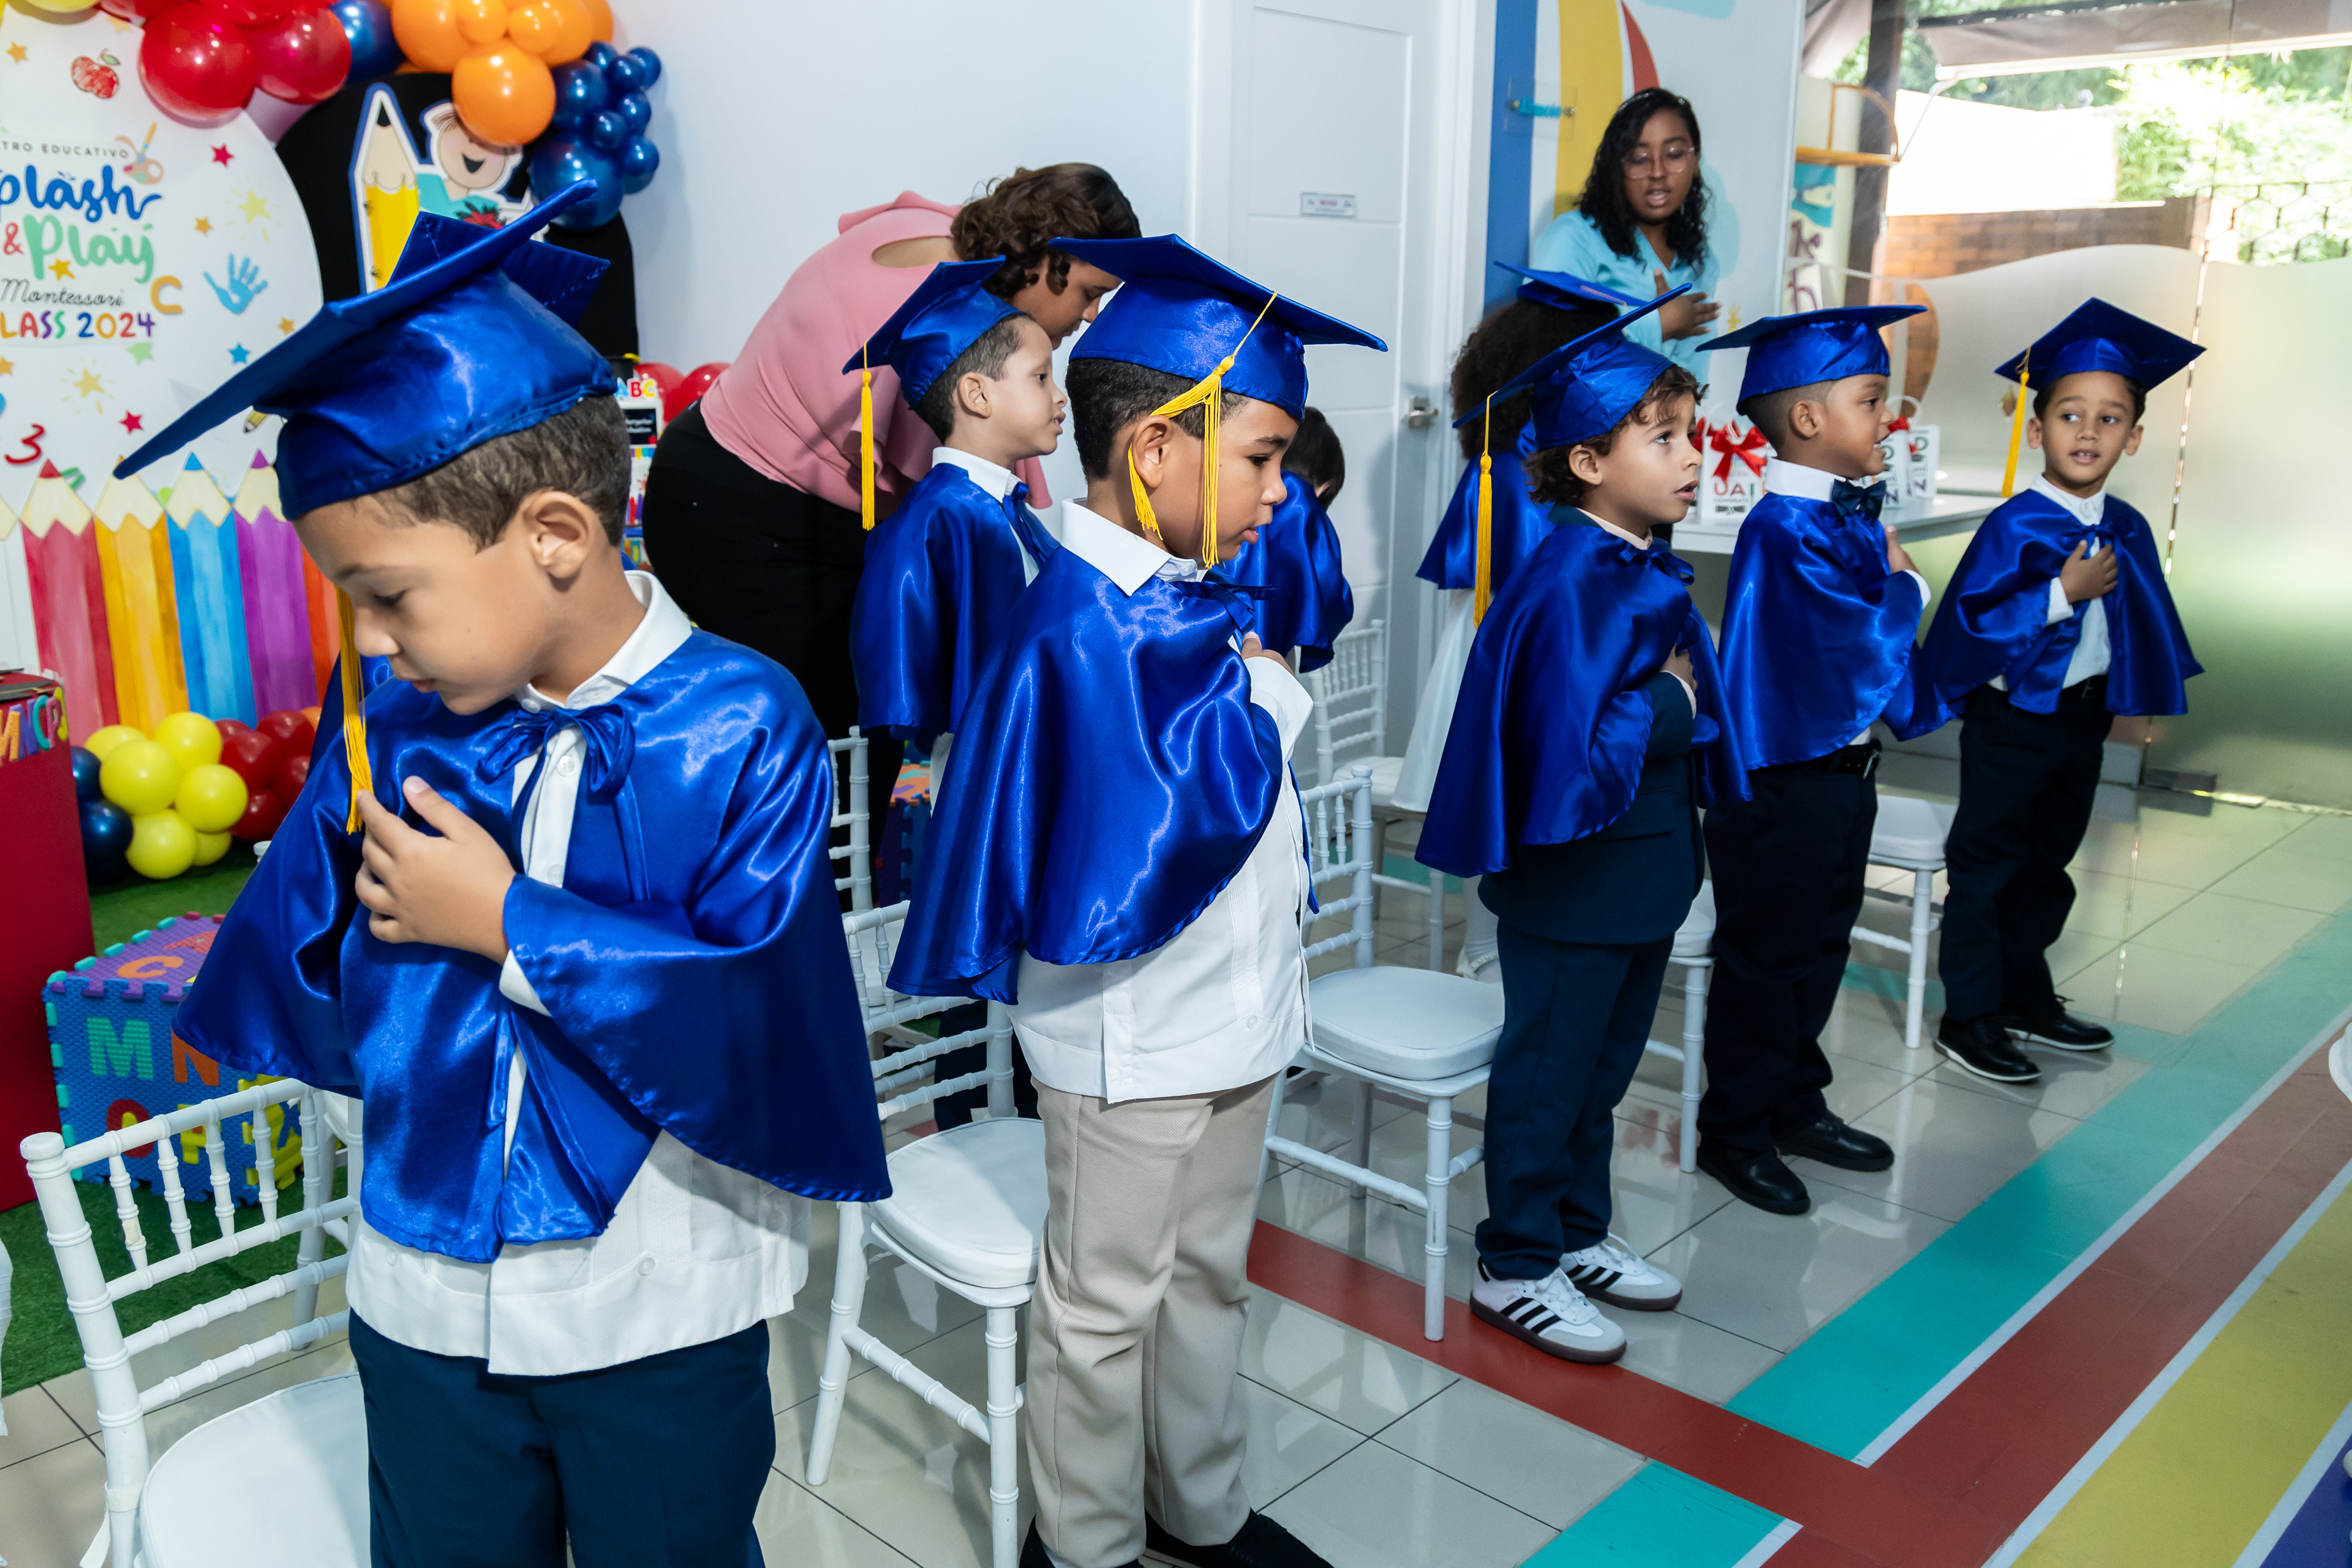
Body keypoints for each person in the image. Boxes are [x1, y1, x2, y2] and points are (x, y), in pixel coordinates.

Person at [115, 186, 891, 1567]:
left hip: (658, 1293)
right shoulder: (396, 722)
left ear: (554, 535)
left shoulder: (742, 723)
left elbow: (764, 1015)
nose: (367, 638)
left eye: (388, 593)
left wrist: (509, 924)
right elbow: (312, 975)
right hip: (424, 1298)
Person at [889, 234, 1382, 1568]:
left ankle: (1198, 1505)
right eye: (1263, 458)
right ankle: (1090, 1543)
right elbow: (1164, 817)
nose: (1281, 493)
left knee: (1211, 1272)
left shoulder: (1183, 595)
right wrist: (1267, 689)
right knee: (1105, 1305)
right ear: (1157, 447)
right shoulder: (1080, 617)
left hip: (1239, 1011)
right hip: (1132, 1037)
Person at [1419, 289, 1744, 1363]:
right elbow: (1566, 744)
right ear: (1590, 462)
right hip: (1578, 884)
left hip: (1640, 873)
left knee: (1602, 1075)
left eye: (1690, 433)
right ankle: (1515, 1261)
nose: (1692, 456)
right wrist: (1679, 702)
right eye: (1665, 438)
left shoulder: (1631, 559)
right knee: (1548, 1074)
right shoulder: (1567, 577)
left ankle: (1576, 1231)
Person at [640, 165, 1140, 857]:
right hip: (736, 509)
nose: (1089, 318)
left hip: (720, 476)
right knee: (839, 740)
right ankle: (808, 901)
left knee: (850, 734)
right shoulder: (945, 328)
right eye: (1089, 293)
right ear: (1046, 260)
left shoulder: (936, 233)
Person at [1692, 304, 1934, 1216]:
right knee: (1767, 961)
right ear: (1806, 418)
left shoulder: (1838, 515)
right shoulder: (1783, 527)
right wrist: (1907, 583)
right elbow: (1852, 641)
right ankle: (1735, 1131)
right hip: (1782, 787)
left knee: (1821, 947)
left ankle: (1796, 1104)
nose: (1887, 419)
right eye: (1871, 400)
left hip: (1840, 779)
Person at [1919, 299, 2204, 1073]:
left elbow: (2138, 624)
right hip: (2012, 721)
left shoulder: (2129, 526)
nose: (2088, 431)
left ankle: (2024, 996)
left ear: (2134, 437)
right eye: (2070, 414)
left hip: (2081, 720)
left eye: (2110, 419)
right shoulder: (2014, 525)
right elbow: (1971, 627)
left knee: (2048, 863)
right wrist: (2060, 593)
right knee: (1987, 865)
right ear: (2037, 427)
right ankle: (1969, 1016)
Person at [848, 258, 1065, 1126]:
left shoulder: (1008, 512)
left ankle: (1026, 1114)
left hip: (1021, 772)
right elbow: (912, 679)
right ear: (976, 394)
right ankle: (977, 1128)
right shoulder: (942, 518)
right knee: (979, 976)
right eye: (1040, 377)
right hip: (969, 780)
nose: (1059, 396)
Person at [1393, 262, 1633, 982]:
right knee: (1502, 794)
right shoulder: (1516, 468)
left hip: (1537, 644)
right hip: (1512, 653)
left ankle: (1519, 954)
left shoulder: (1534, 456)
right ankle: (1487, 955)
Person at [1530, 88, 1722, 374]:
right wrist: (1660, 325)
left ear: (1695, 163)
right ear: (1617, 167)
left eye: (1674, 154)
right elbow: (1542, 342)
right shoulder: (1574, 237)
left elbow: (1693, 375)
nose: (1657, 172)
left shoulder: (1700, 258)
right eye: (1639, 158)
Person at [1209, 404, 1352, 671]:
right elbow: (1331, 594)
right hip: (1269, 651)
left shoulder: (1230, 491)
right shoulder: (1299, 501)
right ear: (1325, 486)